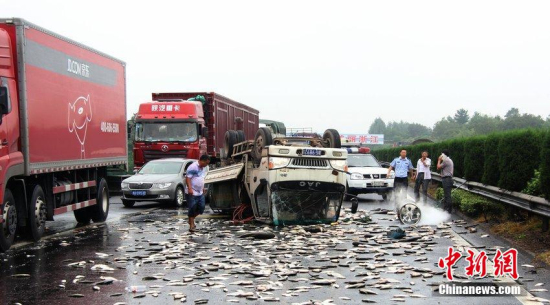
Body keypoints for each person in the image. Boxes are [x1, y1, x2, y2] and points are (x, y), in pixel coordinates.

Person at [185, 154, 210, 231]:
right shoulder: (193, 167)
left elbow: (201, 179)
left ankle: (191, 218)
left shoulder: (203, 168)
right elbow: (188, 178)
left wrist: (202, 188)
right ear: (202, 161)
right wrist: (189, 188)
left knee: (201, 208)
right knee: (192, 207)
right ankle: (192, 224)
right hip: (192, 191)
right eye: (206, 163)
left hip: (200, 192)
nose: (206, 165)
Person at [437, 149, 454, 213]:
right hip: (448, 178)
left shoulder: (446, 160)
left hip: (447, 179)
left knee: (447, 195)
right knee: (447, 195)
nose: (441, 156)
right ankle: (447, 208)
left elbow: (438, 167)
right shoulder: (448, 160)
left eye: (441, 154)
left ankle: (448, 210)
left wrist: (439, 160)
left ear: (443, 154)